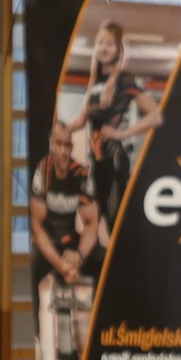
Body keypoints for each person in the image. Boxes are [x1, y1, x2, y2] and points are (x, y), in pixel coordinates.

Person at [70, 20, 164, 238]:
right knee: (97, 217)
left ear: (118, 49)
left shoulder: (124, 80)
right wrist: (60, 129)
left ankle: (125, 258)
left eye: (110, 43)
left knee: (115, 220)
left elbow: (155, 117)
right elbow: (81, 120)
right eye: (100, 42)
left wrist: (122, 133)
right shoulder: (95, 81)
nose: (104, 48)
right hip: (97, 160)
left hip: (114, 159)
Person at [29, 119, 100, 360]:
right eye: (58, 144)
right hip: (48, 245)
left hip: (71, 243)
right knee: (31, 268)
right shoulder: (43, 171)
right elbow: (37, 228)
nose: (63, 151)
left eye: (68, 145)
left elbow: (92, 223)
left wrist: (79, 256)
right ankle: (37, 338)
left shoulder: (81, 173)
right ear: (51, 144)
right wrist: (61, 264)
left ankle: (103, 335)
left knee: (105, 259)